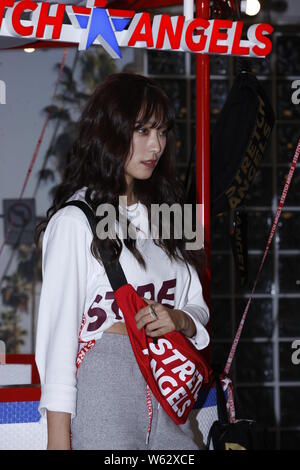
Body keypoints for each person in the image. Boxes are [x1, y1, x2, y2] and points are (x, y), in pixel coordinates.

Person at [35, 72, 210, 450]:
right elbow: (57, 343)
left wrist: (179, 319)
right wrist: (57, 440)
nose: (156, 146)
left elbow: (198, 304)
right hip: (103, 389)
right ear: (110, 132)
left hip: (168, 388)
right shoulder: (74, 220)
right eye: (142, 131)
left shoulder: (175, 213)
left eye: (162, 132)